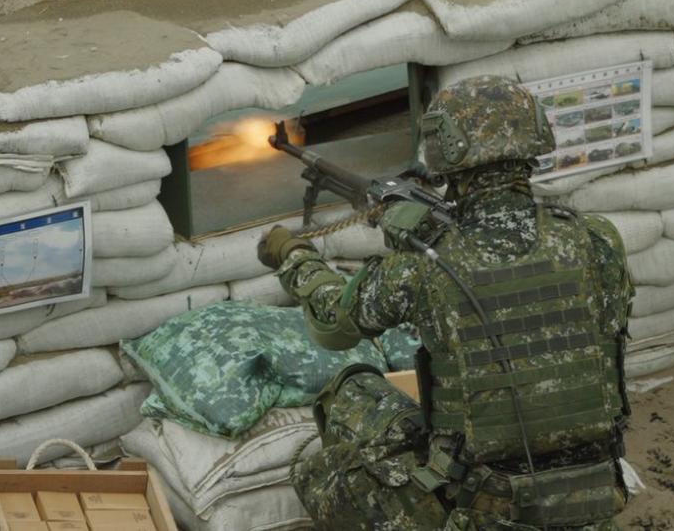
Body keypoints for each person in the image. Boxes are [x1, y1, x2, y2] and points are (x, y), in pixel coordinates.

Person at [257, 75, 634, 530]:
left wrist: (294, 256)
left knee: (343, 407)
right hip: (591, 495)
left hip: (481, 509)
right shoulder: (595, 238)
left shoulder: (426, 264)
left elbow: (332, 327)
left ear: (445, 151)